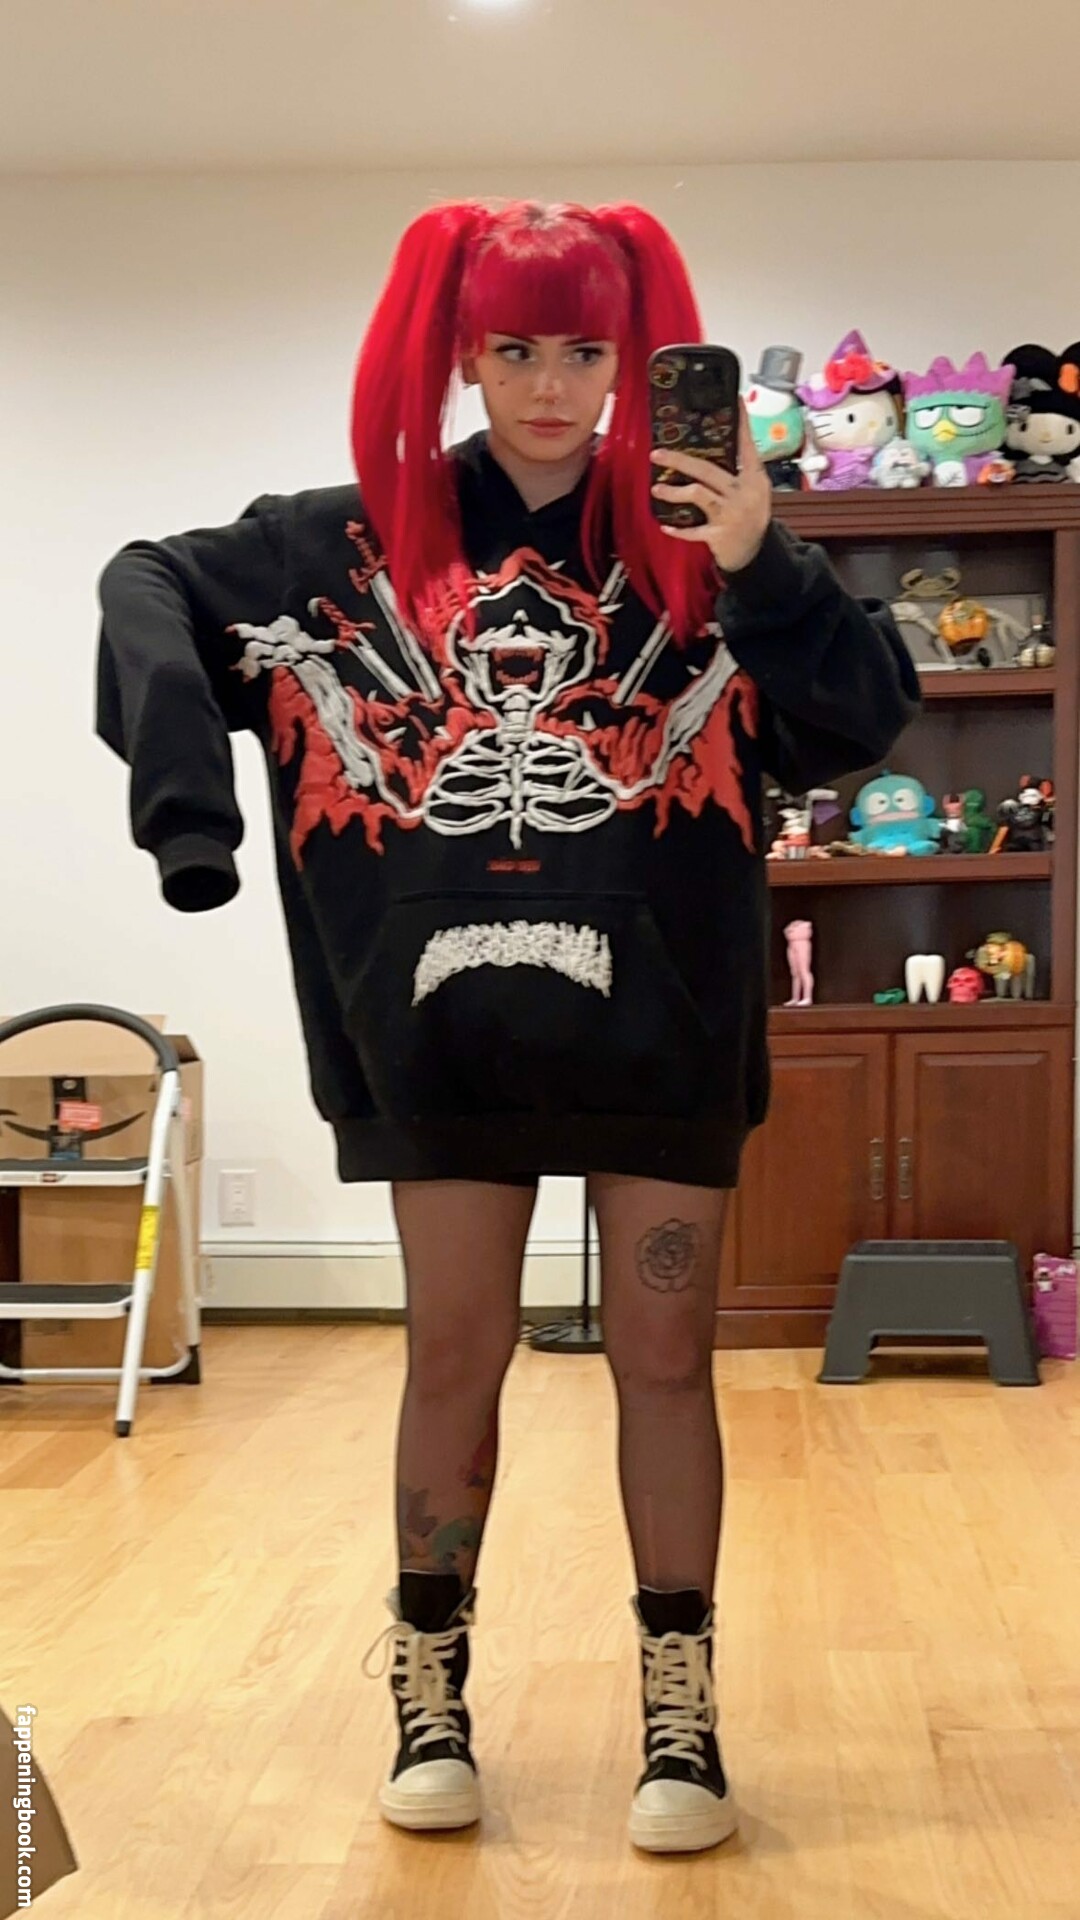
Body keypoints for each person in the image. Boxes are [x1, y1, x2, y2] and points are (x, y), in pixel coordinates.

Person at [94, 198, 918, 1857]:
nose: (552, 386)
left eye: (587, 349)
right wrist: (190, 805)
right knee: (454, 1353)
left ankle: (680, 1714)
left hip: (665, 1018)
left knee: (667, 1360)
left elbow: (860, 717)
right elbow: (148, 582)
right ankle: (430, 1692)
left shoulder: (704, 531)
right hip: (439, 1021)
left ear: (633, 359)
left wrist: (759, 561)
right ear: (462, 355)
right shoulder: (346, 539)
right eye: (516, 348)